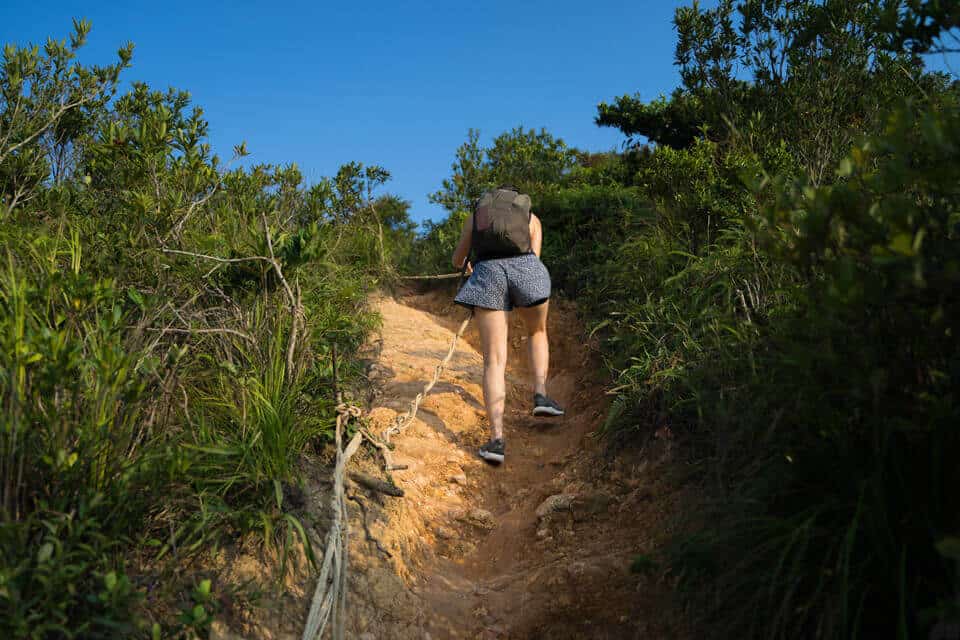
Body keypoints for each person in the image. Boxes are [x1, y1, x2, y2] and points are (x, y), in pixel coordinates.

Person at [451, 185, 565, 465]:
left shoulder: (476, 219)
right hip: (528, 271)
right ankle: (540, 396)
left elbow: (458, 260)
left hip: (488, 274)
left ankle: (497, 441)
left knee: (494, 361)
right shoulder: (530, 218)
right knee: (537, 331)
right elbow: (533, 258)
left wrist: (471, 270)